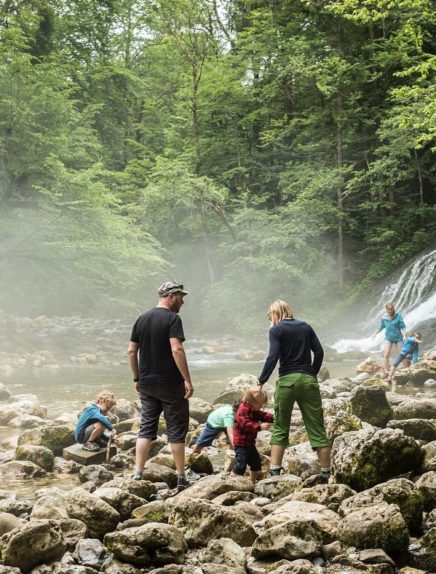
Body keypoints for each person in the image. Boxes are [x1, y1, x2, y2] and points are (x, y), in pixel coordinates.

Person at [128, 281, 194, 490]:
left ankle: (138, 472)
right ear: (171, 296)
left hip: (147, 383)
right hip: (170, 383)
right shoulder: (172, 318)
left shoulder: (142, 318)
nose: (182, 302)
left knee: (146, 427)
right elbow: (177, 349)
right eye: (181, 297)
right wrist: (187, 380)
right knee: (176, 429)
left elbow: (131, 351)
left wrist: (137, 378)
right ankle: (181, 476)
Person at [257, 299, 331, 485]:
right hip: (308, 381)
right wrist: (311, 374)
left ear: (275, 313)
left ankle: (274, 474)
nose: (270, 320)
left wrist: (261, 381)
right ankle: (326, 474)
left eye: (269, 316)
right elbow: (319, 352)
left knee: (281, 426)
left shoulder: (276, 330)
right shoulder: (306, 326)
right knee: (317, 427)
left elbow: (273, 356)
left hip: (287, 382)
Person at [232, 387, 273, 484]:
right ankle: (232, 481)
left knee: (255, 462)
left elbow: (262, 415)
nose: (261, 407)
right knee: (240, 465)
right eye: (261, 404)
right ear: (254, 402)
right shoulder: (243, 409)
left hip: (250, 443)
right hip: (241, 443)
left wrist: (272, 418)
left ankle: (252, 482)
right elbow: (244, 424)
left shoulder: (253, 409)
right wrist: (260, 426)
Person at [373, 303, 407, 377]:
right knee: (386, 354)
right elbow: (381, 327)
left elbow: (403, 327)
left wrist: (404, 335)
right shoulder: (384, 318)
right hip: (388, 338)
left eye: (391, 309)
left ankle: (406, 369)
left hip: (398, 338)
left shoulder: (398, 316)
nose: (390, 310)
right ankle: (386, 371)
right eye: (388, 309)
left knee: (402, 354)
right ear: (386, 310)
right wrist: (375, 333)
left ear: (393, 309)